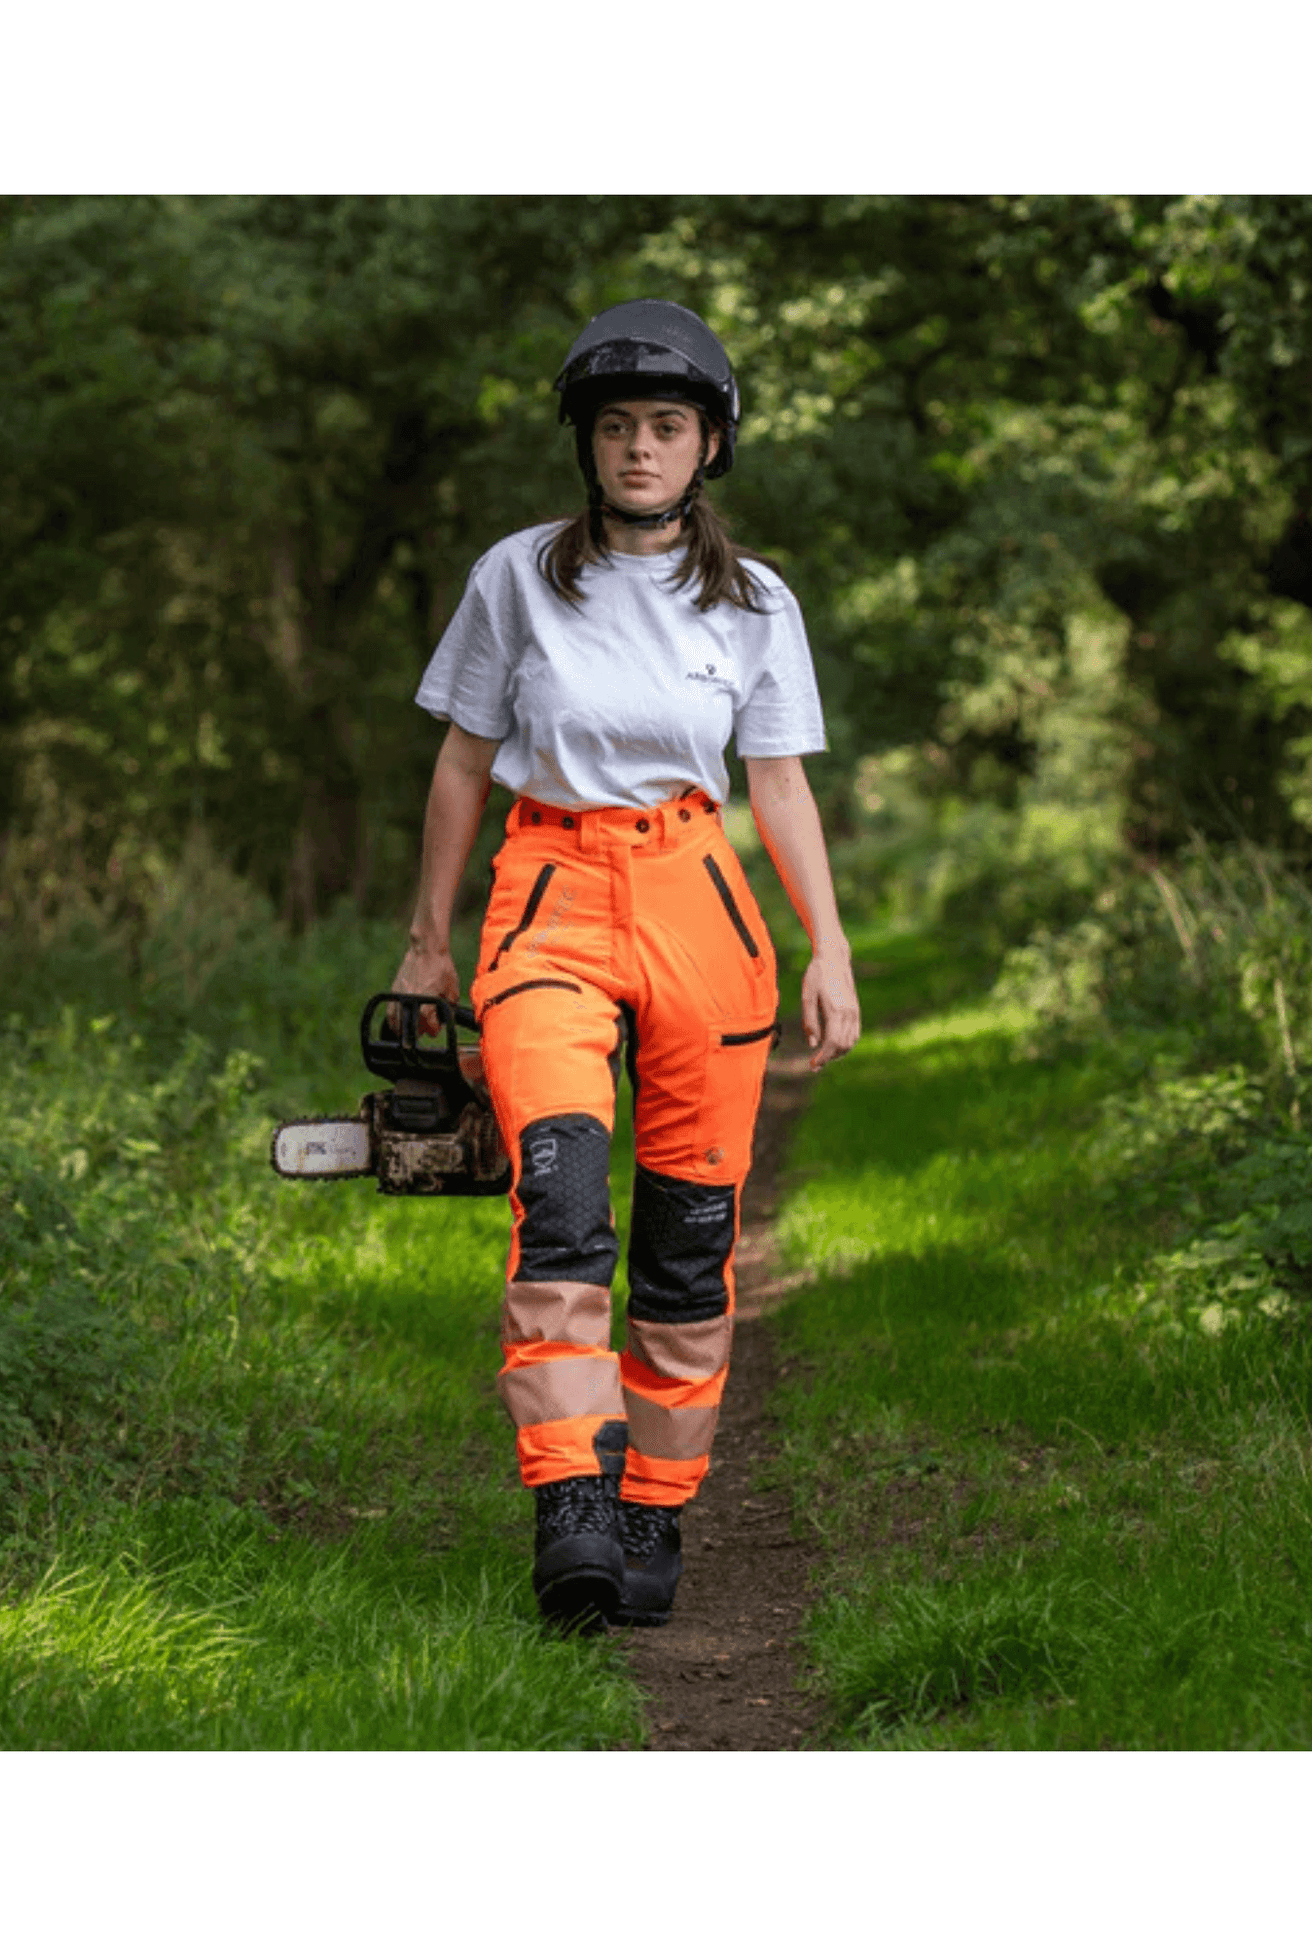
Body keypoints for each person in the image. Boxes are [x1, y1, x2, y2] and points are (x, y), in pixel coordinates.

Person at [393, 298, 860, 1632]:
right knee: (560, 1196)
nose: (638, 448)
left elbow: (775, 782)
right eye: (615, 427)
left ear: (709, 443)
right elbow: (460, 761)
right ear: (585, 446)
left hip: (698, 897)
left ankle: (656, 1498)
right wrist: (428, 944)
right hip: (547, 892)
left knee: (689, 1234)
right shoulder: (516, 576)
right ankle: (569, 1499)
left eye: (665, 425)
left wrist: (826, 946)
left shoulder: (757, 600)